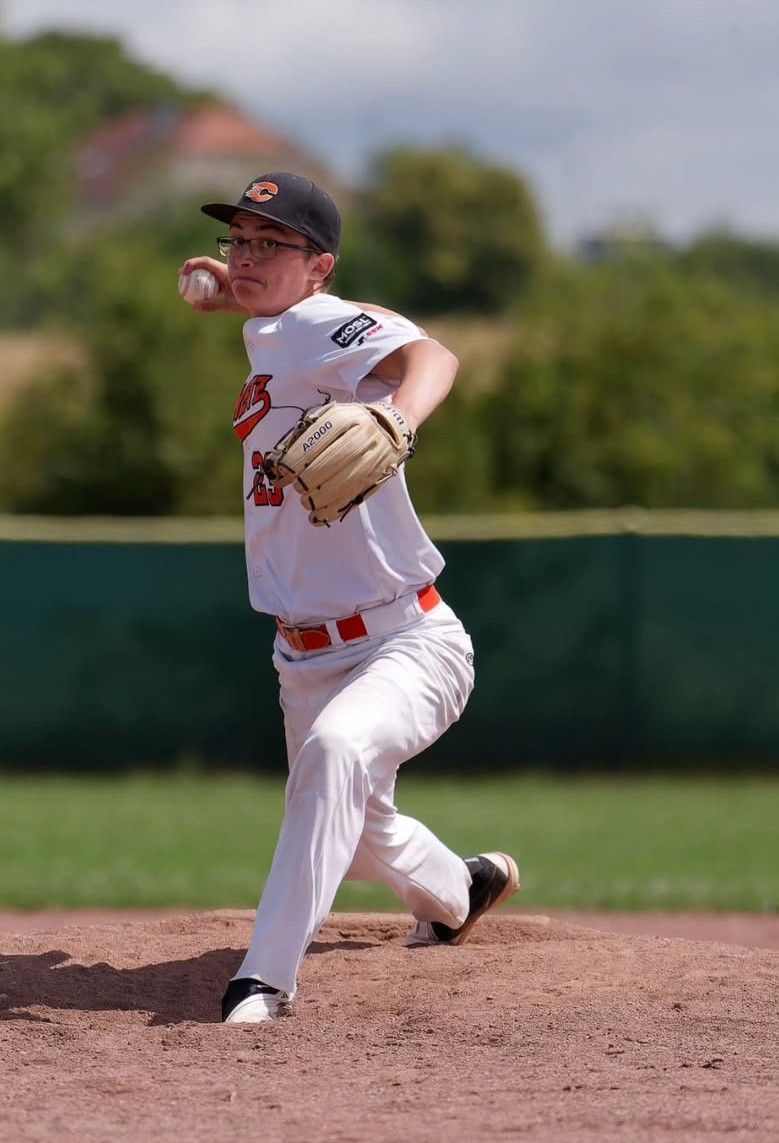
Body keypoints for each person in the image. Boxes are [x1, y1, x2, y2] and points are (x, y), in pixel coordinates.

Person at [178, 172, 520, 1025]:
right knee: (358, 832)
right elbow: (296, 329)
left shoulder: (311, 323)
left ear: (320, 266)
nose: (246, 254)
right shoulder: (277, 328)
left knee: (335, 754)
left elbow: (434, 358)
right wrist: (238, 293)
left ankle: (262, 978)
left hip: (405, 640)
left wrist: (397, 418)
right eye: (238, 240)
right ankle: (460, 891)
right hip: (303, 657)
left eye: (270, 243)